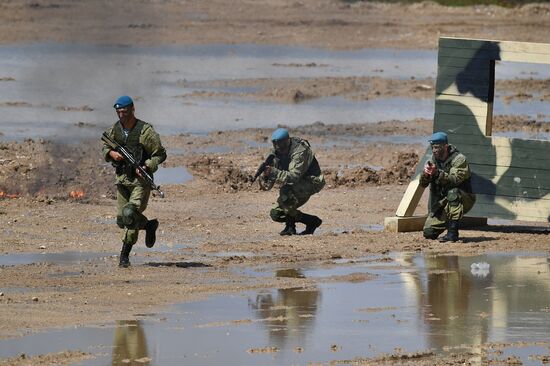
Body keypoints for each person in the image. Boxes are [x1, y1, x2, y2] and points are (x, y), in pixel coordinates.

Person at [102, 95, 167, 267]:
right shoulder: (115, 130)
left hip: (140, 182)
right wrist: (111, 154)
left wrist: (146, 166)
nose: (121, 115)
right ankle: (149, 226)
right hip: (122, 179)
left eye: (124, 112)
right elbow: (105, 145)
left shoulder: (145, 131)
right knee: (121, 221)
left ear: (132, 109)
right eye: (118, 112)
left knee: (130, 215)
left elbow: (160, 154)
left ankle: (124, 257)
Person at [262, 128, 325, 235]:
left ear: (288, 141)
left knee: (286, 191)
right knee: (276, 214)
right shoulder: (275, 152)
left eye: (282, 145)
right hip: (295, 183)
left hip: (312, 181)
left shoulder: (300, 151)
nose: (280, 149)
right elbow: (270, 181)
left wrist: (274, 172)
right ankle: (311, 221)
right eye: (276, 145)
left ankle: (290, 227)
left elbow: (293, 176)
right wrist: (266, 176)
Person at [420, 131, 475, 242]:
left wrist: (437, 173)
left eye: (437, 147)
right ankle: (447, 220)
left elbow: (454, 180)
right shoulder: (432, 160)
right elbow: (423, 184)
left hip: (463, 198)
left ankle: (452, 233)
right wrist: (426, 175)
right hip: (442, 202)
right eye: (432, 147)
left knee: (452, 192)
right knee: (429, 232)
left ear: (445, 147)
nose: (434, 150)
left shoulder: (459, 159)